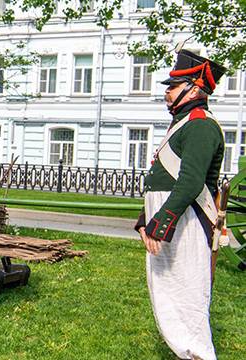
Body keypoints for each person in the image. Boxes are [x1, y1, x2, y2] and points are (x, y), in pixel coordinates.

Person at [135, 49, 226, 360]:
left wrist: (159, 225)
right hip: (173, 220)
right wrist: (145, 220)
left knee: (187, 292)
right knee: (170, 292)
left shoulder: (200, 125)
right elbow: (162, 178)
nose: (167, 92)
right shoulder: (186, 123)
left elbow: (189, 183)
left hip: (186, 223)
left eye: (173, 86)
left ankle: (198, 352)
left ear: (196, 88)